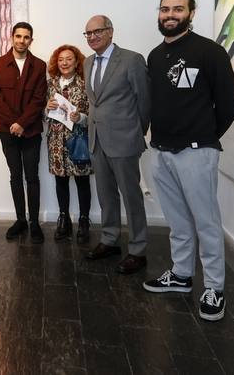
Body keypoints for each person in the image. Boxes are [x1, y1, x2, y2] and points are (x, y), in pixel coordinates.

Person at [143, 0, 234, 321]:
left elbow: (229, 105)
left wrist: (204, 137)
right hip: (161, 152)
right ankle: (182, 275)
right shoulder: (155, 56)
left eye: (178, 9)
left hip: (197, 153)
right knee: (178, 222)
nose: (170, 14)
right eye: (165, 8)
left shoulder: (210, 52)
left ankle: (214, 288)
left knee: (206, 223)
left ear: (191, 13)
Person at [83, 15, 150, 274]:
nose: (93, 37)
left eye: (97, 31)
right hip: (97, 140)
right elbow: (95, 102)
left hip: (124, 140)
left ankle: (138, 250)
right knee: (106, 195)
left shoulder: (132, 60)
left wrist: (136, 133)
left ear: (111, 32)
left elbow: (144, 101)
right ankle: (110, 239)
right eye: (88, 33)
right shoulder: (88, 62)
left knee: (131, 197)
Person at [0, 22, 48, 243]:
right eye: (19, 36)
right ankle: (20, 220)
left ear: (31, 40)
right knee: (15, 177)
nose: (22, 40)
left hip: (31, 130)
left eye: (26, 37)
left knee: (32, 177)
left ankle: (34, 223)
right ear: (11, 37)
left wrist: (22, 123)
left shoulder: (39, 65)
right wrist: (14, 123)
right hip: (7, 130)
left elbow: (39, 99)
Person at [45, 45, 92, 243]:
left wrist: (80, 117)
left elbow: (93, 113)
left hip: (78, 139)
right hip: (56, 140)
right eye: (61, 59)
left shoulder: (85, 83)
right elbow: (44, 113)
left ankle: (83, 220)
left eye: (69, 59)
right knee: (60, 180)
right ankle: (63, 218)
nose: (64, 63)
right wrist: (46, 109)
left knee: (82, 181)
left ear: (76, 62)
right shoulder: (50, 84)